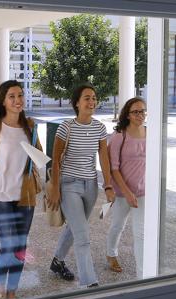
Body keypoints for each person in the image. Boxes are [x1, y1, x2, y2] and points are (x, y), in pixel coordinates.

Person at [0, 80, 42, 299]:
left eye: (20, 95)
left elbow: (39, 158)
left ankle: (12, 290)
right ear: (3, 100)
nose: (17, 100)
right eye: (12, 96)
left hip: (25, 197)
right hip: (0, 196)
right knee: (9, 244)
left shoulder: (29, 126)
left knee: (20, 246)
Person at [46, 83, 115, 288]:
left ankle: (57, 261)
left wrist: (108, 185)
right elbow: (56, 160)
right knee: (83, 235)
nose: (92, 101)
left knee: (76, 227)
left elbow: (104, 158)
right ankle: (89, 283)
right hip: (69, 185)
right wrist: (56, 188)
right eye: (87, 98)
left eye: (94, 98)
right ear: (77, 103)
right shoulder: (66, 127)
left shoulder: (99, 128)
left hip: (91, 185)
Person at [105, 97, 147, 278]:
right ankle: (111, 253)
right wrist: (127, 193)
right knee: (117, 226)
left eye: (143, 111)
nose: (140, 115)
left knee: (140, 234)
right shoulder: (118, 136)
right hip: (123, 192)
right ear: (128, 115)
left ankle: (142, 276)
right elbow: (113, 168)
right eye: (136, 111)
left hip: (143, 191)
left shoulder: (150, 133)